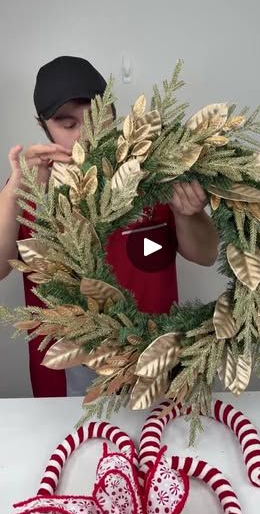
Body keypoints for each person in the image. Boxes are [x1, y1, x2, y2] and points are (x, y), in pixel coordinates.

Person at [0, 56, 219, 397]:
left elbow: (206, 255)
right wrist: (15, 190)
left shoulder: (151, 176)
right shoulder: (34, 188)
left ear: (114, 113)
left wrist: (188, 212)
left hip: (153, 355)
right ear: (44, 125)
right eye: (67, 124)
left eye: (97, 118)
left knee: (160, 445)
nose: (85, 135)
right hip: (72, 373)